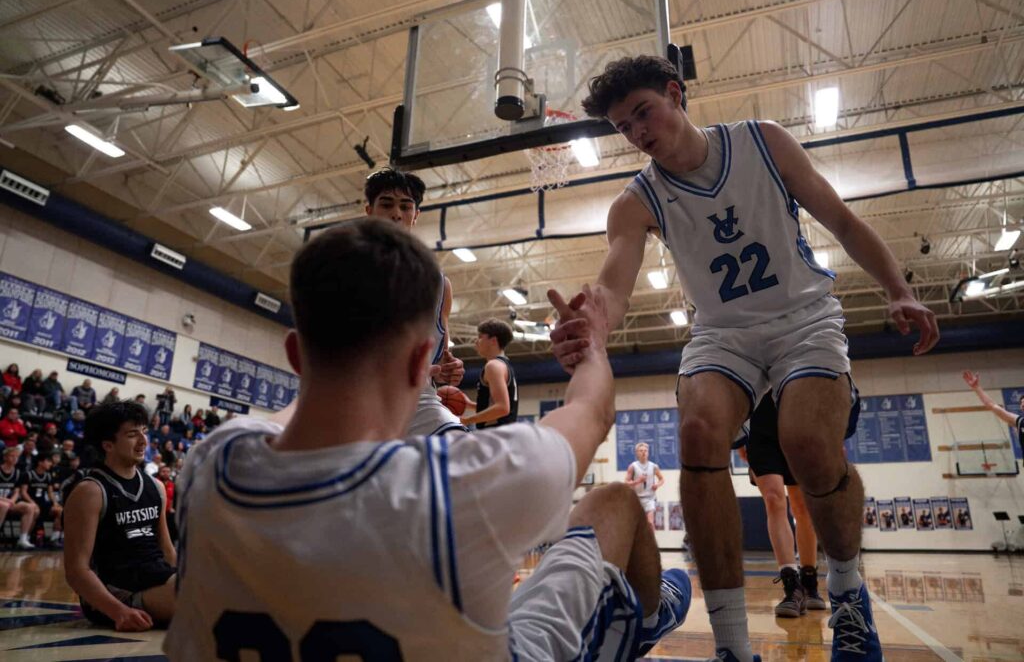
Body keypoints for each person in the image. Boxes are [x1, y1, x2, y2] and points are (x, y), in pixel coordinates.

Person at [553, 55, 941, 662]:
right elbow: (615, 282)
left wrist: (899, 288)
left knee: (807, 443)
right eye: (623, 128)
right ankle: (733, 646)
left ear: (675, 94)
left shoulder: (764, 142)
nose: (636, 133)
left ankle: (846, 597)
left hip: (803, 318)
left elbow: (840, 218)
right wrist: (594, 317)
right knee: (697, 431)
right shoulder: (636, 202)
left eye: (642, 114)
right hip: (723, 334)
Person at [164, 219, 691, 661]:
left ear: (296, 354)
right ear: (423, 364)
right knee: (615, 504)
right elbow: (591, 411)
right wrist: (592, 343)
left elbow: (286, 416)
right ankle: (646, 617)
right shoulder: (458, 483)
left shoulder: (212, 458)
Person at [362, 167, 466, 436]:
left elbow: (440, 359)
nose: (397, 213)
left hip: (418, 400)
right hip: (356, 394)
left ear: (416, 215)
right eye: (386, 204)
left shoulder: (440, 285)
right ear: (369, 210)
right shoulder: (345, 268)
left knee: (462, 453)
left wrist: (446, 370)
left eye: (406, 206)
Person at [62, 401, 176, 631]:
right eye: (133, 434)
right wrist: (119, 612)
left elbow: (166, 549)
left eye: (144, 432)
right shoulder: (90, 491)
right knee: (208, 600)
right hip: (117, 592)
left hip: (157, 578)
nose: (144, 441)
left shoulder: (156, 487)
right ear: (108, 444)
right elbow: (76, 570)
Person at [743, 396, 826, 617]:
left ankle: (809, 581)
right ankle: (792, 587)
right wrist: (738, 439)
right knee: (773, 499)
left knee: (802, 507)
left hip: (797, 423)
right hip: (760, 428)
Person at [461, 318, 519, 429]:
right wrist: (471, 405)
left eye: (480, 337)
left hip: (496, 434)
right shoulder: (504, 365)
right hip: (504, 433)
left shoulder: (493, 366)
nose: (476, 341)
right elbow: (499, 406)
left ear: (493, 341)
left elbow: (502, 408)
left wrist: (467, 420)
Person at [962, 371, 1023, 456]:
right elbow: (992, 405)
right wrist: (976, 387)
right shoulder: (1020, 421)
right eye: (1021, 404)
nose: (1022, 405)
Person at [0, 446, 38, 549]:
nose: (14, 458)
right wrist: (7, 501)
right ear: (5, 457)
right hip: (2, 501)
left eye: (16, 456)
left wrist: (12, 500)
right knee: (3, 505)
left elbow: (17, 491)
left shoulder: (17, 473)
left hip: (10, 502)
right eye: (12, 456)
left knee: (29, 507)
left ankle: (23, 538)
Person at [24, 455, 63, 546]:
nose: (50, 463)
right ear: (40, 462)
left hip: (43, 503)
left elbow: (50, 492)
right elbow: (23, 492)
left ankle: (54, 538)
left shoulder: (48, 476)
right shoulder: (28, 474)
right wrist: (32, 503)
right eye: (48, 461)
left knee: (60, 511)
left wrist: (55, 503)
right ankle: (27, 538)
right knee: (34, 510)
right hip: (30, 502)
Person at [625, 442, 664, 529]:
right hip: (637, 498)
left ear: (648, 452)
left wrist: (657, 485)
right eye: (641, 450)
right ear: (637, 453)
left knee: (650, 522)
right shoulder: (632, 466)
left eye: (645, 450)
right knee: (636, 524)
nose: (643, 452)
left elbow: (662, 479)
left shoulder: (654, 466)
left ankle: (652, 541)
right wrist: (638, 481)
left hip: (650, 497)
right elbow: (626, 482)